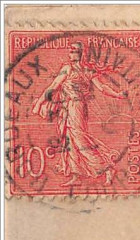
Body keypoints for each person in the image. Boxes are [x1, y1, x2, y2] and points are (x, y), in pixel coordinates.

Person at [31, 41, 128, 187]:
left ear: (82, 53)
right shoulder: (67, 69)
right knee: (70, 140)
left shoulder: (86, 71)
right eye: (70, 50)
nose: (71, 52)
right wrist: (39, 102)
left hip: (77, 107)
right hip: (67, 107)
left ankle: (106, 168)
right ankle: (76, 175)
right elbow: (53, 87)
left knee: (80, 138)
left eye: (74, 50)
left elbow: (102, 87)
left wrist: (118, 95)